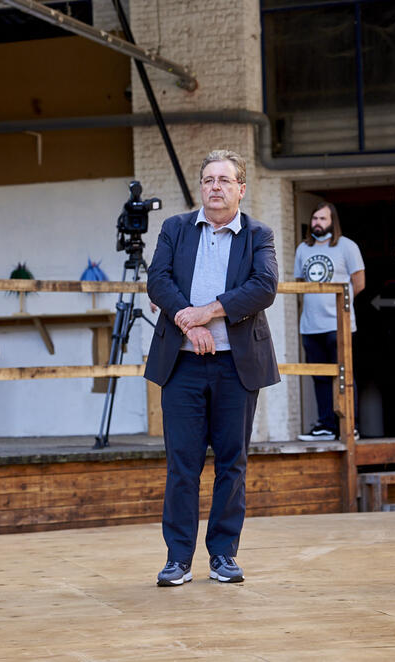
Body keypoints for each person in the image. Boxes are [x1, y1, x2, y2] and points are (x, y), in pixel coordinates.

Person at [145, 149, 279, 587]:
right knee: (181, 464)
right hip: (181, 365)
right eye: (208, 180)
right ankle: (177, 559)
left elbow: (263, 287)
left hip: (235, 367)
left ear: (241, 188)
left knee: (232, 463)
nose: (215, 187)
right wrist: (189, 318)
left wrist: (208, 313)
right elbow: (158, 281)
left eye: (224, 180)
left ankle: (223, 554)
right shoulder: (175, 229)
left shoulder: (259, 234)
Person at [294, 202, 364, 441]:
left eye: (323, 219)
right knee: (319, 376)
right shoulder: (303, 249)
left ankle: (349, 426)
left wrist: (339, 306)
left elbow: (359, 283)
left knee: (344, 376)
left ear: (333, 222)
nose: (317, 223)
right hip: (310, 326)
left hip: (339, 325)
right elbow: (299, 282)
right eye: (314, 218)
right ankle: (325, 426)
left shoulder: (347, 246)